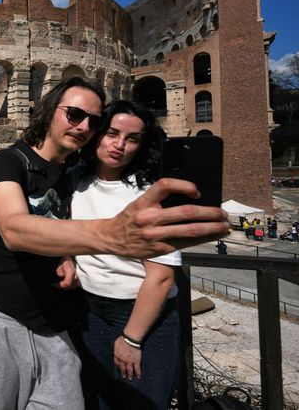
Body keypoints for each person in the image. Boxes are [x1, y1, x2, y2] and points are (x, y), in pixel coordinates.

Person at [0, 78, 229, 409]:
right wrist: (111, 235)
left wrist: (66, 254)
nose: (83, 127)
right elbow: (14, 229)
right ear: (49, 110)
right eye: (74, 114)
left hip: (52, 321)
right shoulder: (6, 163)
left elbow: (58, 223)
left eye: (94, 122)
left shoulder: (68, 175)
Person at [70, 100, 180, 409]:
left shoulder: (154, 193)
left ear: (143, 145)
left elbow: (161, 276)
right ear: (96, 134)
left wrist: (132, 339)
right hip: (89, 312)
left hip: (142, 317)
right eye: (112, 133)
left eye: (132, 138)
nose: (120, 145)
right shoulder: (77, 180)